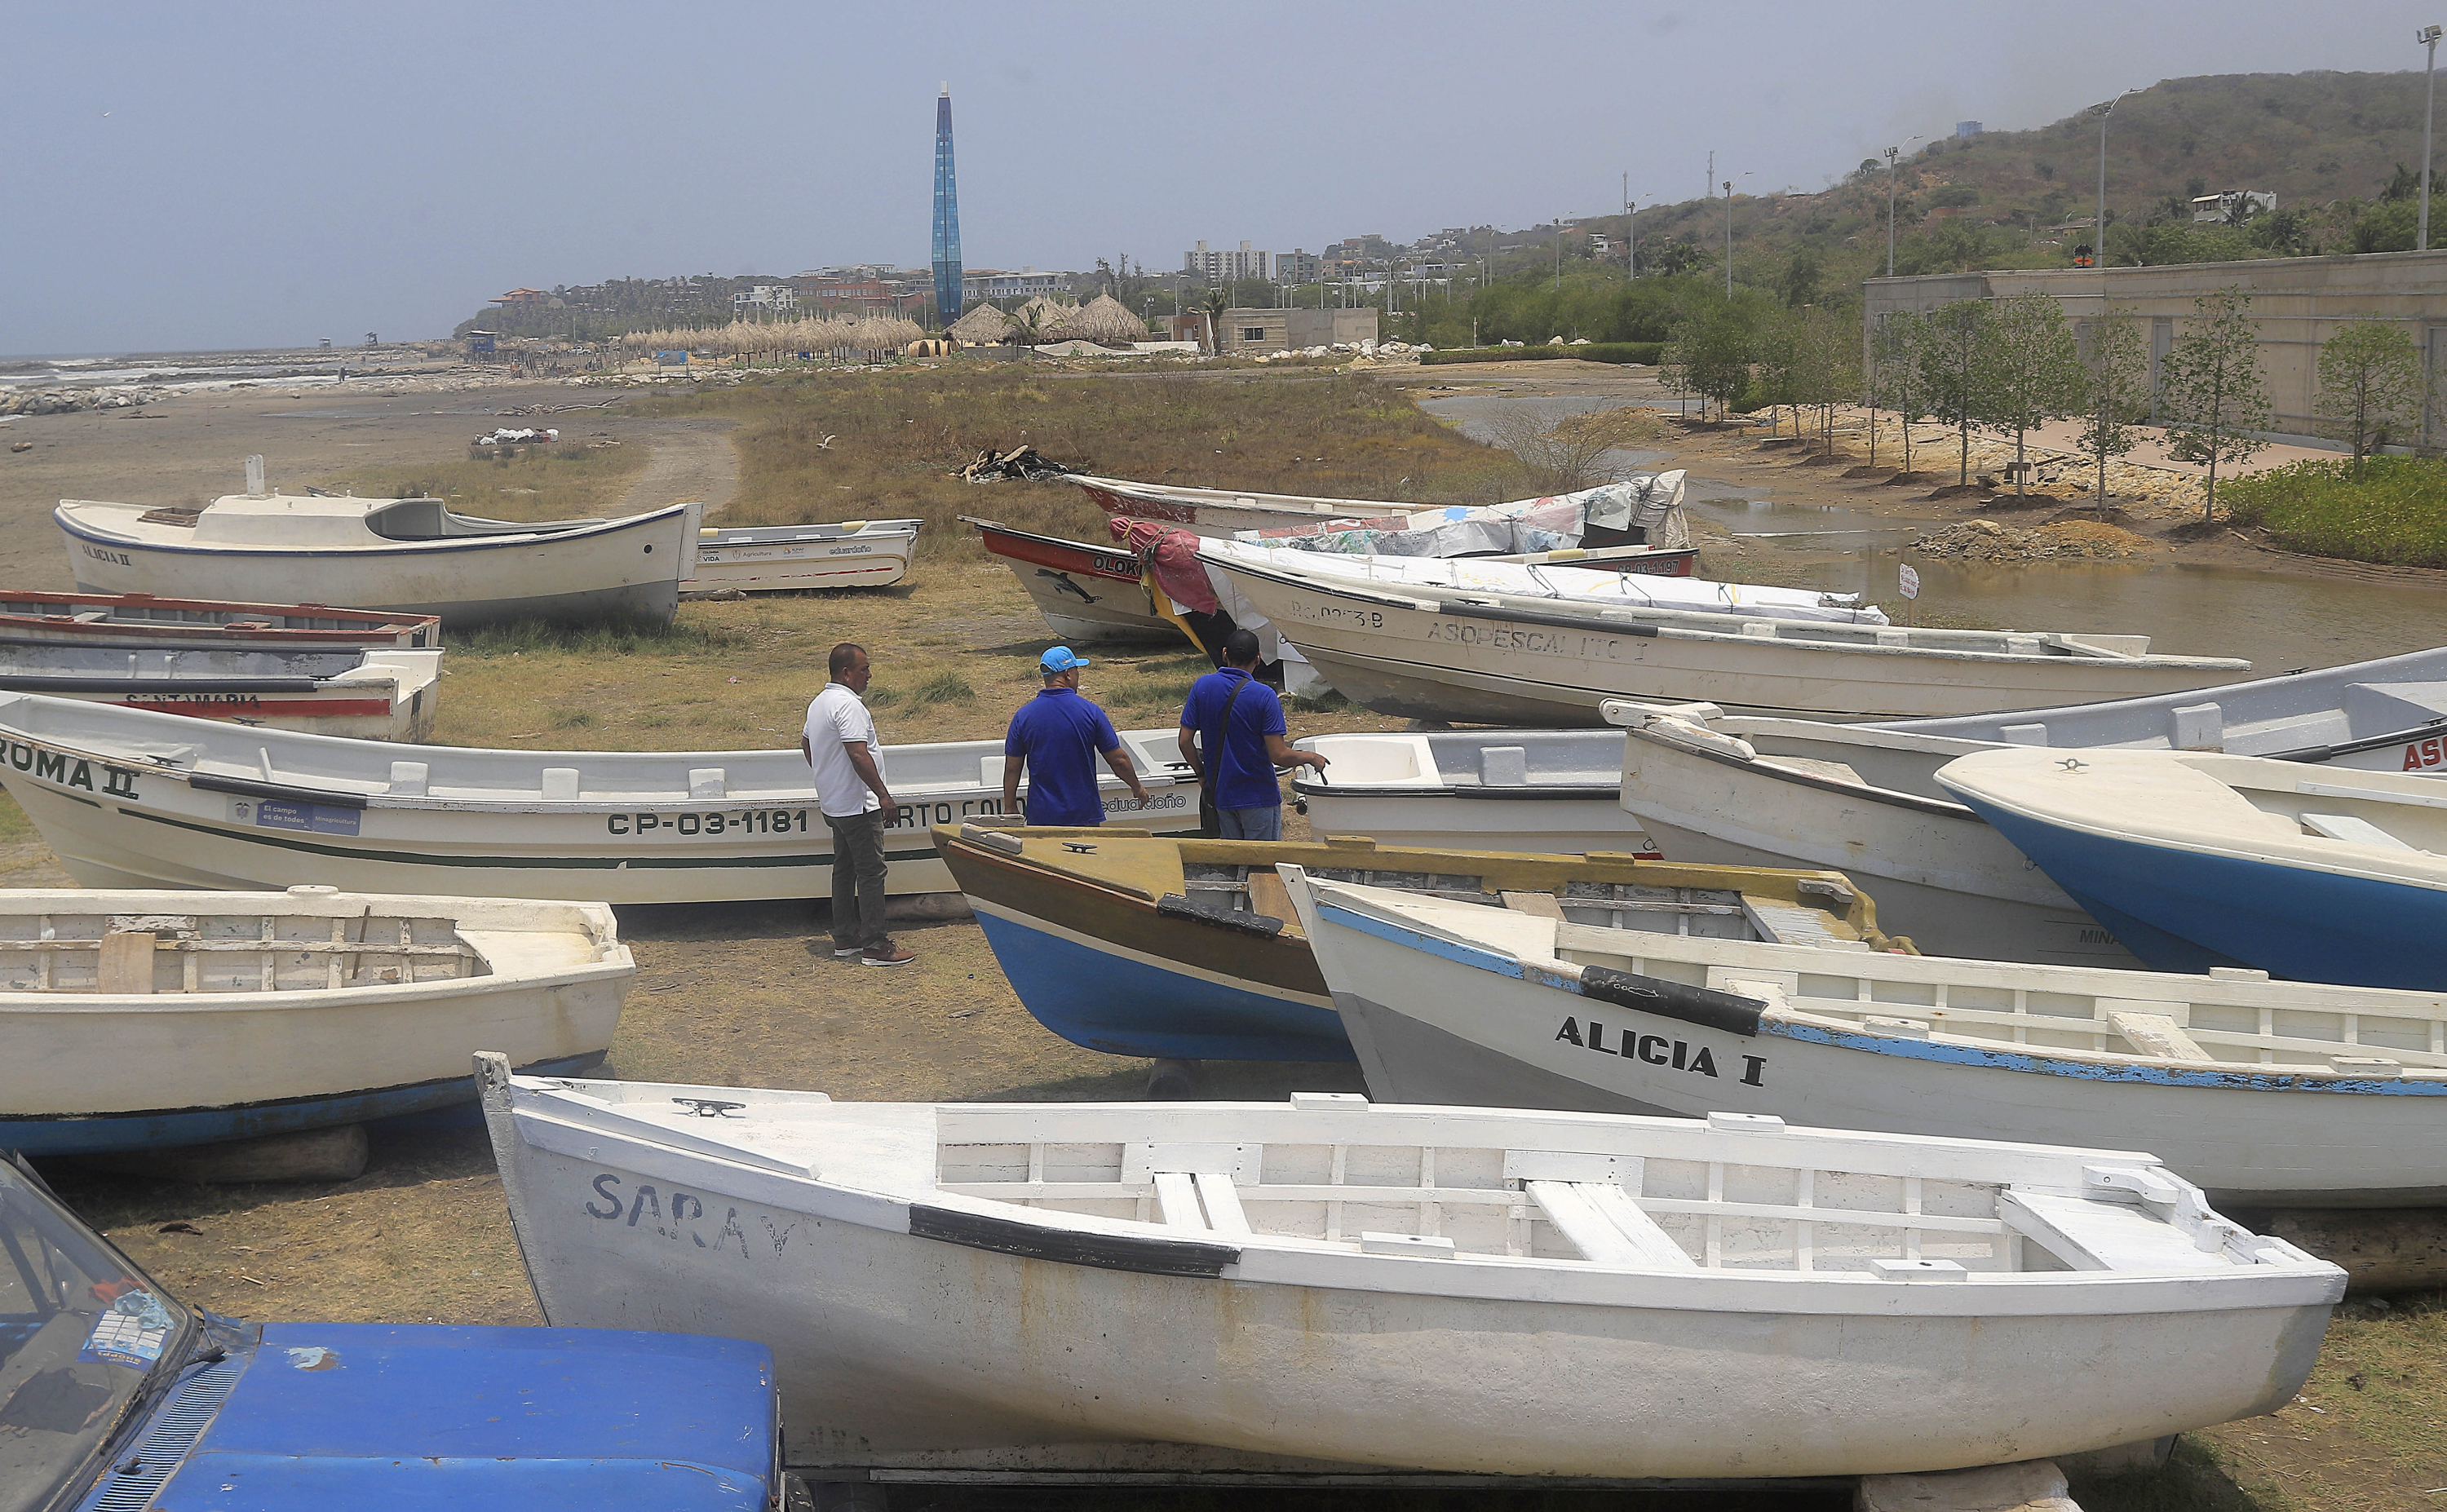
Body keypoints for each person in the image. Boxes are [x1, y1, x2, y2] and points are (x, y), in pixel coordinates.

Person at [801, 642, 914, 967]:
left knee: (844, 870)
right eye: (864, 669)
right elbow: (857, 752)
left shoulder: (820, 703)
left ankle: (846, 937)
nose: (869, 675)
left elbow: (807, 743)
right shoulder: (849, 706)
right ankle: (876, 946)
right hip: (857, 806)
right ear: (846, 672)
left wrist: (826, 774)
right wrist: (883, 794)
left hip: (835, 804)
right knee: (871, 872)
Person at [1177, 630, 1328, 841]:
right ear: (1258, 658)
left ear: (1224, 654)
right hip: (1258, 797)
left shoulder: (1202, 686)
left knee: (1236, 864)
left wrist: (1202, 776)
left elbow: (1185, 741)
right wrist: (1310, 757)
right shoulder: (1265, 696)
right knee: (1263, 866)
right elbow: (1279, 755)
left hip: (1222, 795)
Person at [1002, 646, 1148, 825]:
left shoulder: (1023, 717)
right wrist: (1137, 788)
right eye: (1076, 670)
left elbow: (1012, 768)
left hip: (1042, 818)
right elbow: (1118, 760)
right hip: (1083, 816)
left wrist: (1010, 807)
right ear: (1068, 675)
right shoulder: (1090, 712)